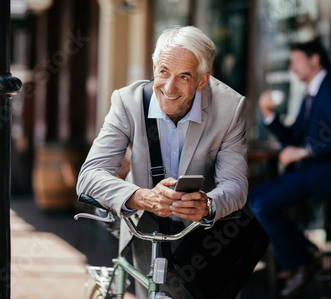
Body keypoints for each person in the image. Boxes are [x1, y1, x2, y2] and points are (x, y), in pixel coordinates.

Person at [76, 26, 248, 298]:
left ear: (202, 81)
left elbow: (235, 185)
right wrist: (142, 197)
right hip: (144, 219)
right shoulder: (127, 102)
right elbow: (90, 176)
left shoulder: (230, 107)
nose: (169, 87)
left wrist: (209, 205)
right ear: (154, 66)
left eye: (184, 77)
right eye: (163, 71)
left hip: (203, 229)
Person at [247, 38, 331, 298]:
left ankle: (301, 262)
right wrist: (270, 115)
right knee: (251, 199)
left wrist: (304, 151)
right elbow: (293, 139)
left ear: (314, 60)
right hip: (306, 173)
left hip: (324, 175)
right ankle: (302, 253)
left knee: (261, 205)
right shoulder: (311, 94)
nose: (292, 67)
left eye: (295, 60)